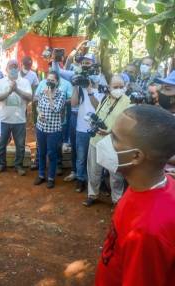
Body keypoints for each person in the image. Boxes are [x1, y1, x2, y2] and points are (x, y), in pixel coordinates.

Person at [95, 105, 175, 286]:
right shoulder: (144, 185)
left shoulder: (148, 233)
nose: (105, 140)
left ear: (136, 156)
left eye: (114, 137)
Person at [83, 74, 131, 207]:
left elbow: (127, 124)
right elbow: (98, 113)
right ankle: (92, 194)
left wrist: (110, 131)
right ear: (109, 87)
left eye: (121, 86)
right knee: (93, 171)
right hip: (96, 140)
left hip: (114, 142)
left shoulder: (127, 101)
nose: (119, 89)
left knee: (115, 175)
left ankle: (117, 201)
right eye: (115, 87)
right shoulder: (104, 98)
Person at [0, 59, 32, 176]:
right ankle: (1, 164)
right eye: (11, 66)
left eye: (15, 66)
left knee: (20, 145)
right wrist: (10, 90)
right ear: (7, 69)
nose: (13, 69)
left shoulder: (25, 82)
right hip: (3, 119)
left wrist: (17, 89)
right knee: (1, 144)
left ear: (19, 68)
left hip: (19, 120)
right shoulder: (1, 82)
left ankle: (18, 165)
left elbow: (29, 97)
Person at [70, 74, 105, 193]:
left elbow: (98, 107)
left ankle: (96, 182)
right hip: (81, 128)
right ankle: (80, 179)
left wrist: (90, 91)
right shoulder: (80, 89)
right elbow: (73, 103)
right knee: (81, 157)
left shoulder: (101, 89)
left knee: (96, 159)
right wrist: (75, 86)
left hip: (97, 130)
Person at [33, 71, 65, 189]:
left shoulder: (61, 94)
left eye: (53, 80)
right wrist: (40, 113)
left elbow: (56, 109)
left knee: (52, 154)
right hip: (41, 127)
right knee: (41, 152)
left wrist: (50, 96)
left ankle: (51, 178)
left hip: (54, 130)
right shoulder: (42, 91)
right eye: (49, 79)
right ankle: (41, 175)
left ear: (57, 82)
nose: (50, 82)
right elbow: (38, 106)